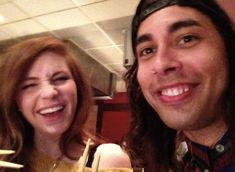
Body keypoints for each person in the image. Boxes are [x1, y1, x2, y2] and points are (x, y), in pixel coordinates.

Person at [123, 0, 235, 171]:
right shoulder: (170, 160)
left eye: (187, 39)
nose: (161, 64)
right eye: (147, 50)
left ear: (228, 50)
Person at [0, 36, 131, 172]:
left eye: (60, 78)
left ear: (78, 89)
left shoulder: (107, 160)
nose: (49, 92)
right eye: (29, 85)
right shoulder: (5, 158)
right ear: (16, 102)